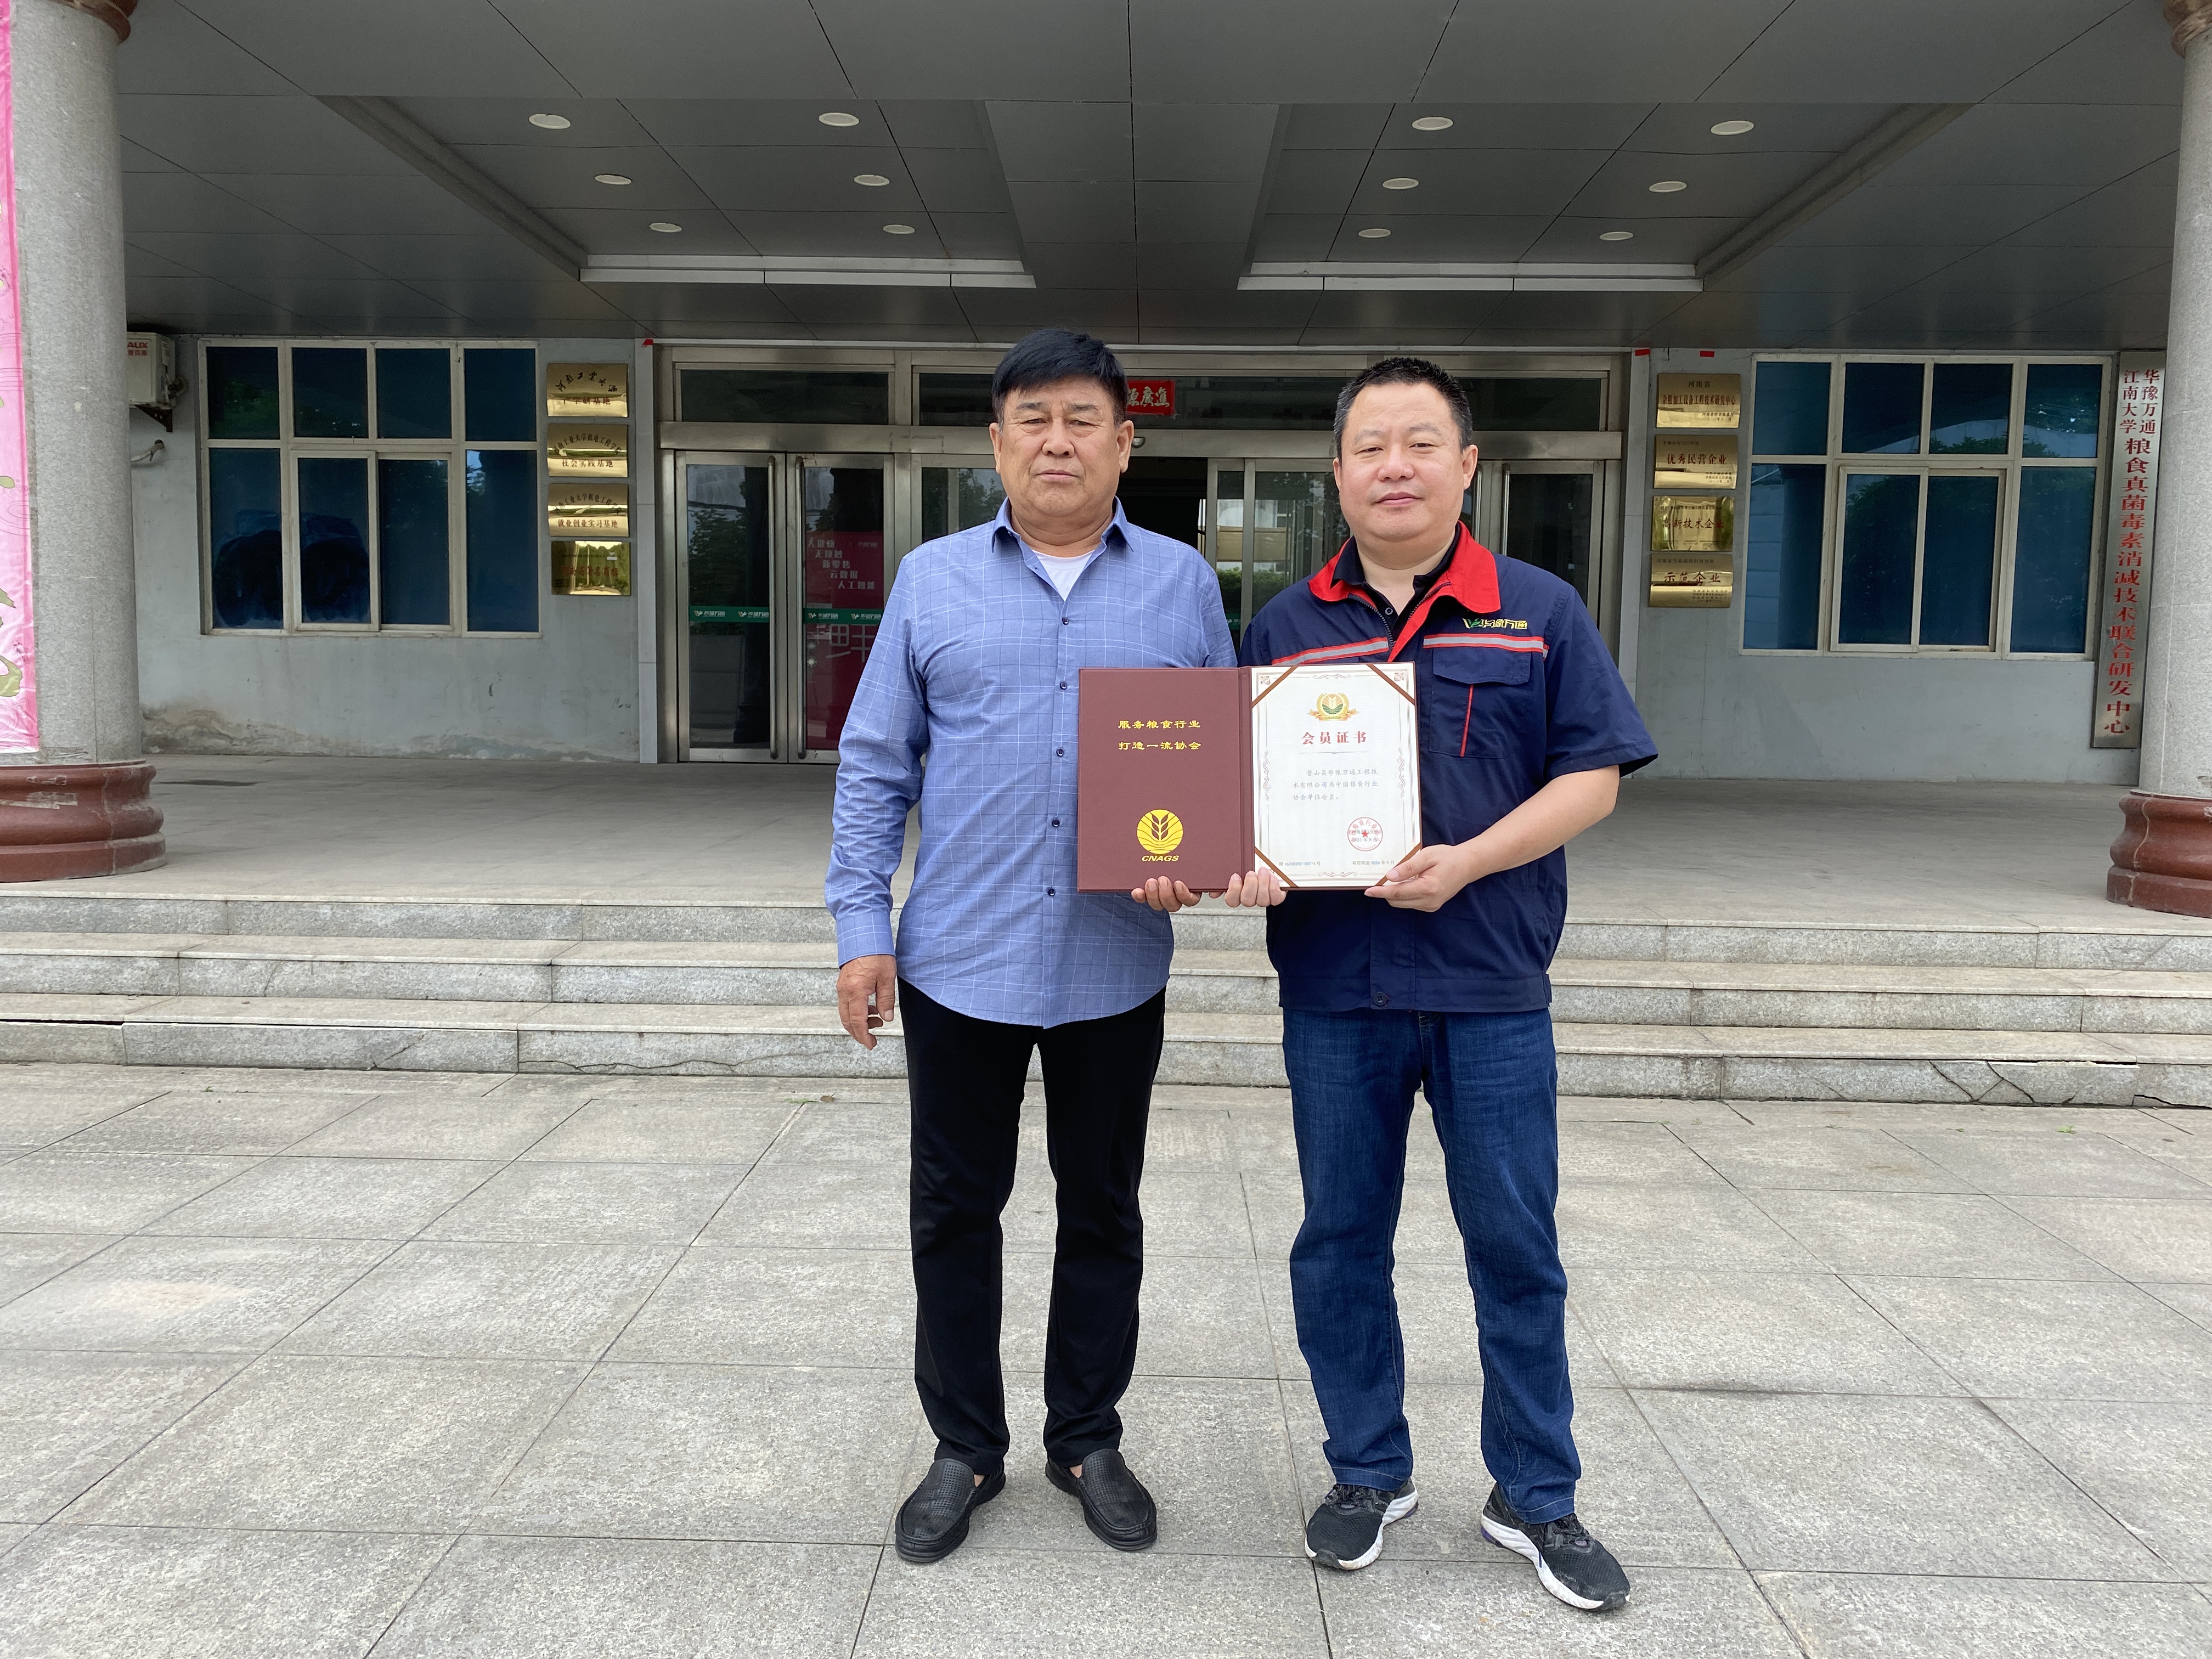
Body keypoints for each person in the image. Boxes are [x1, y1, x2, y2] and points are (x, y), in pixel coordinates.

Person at [827, 328, 1274, 1565]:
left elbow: (1219, 763)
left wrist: (1208, 854)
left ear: (1126, 443)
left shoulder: (1182, 583)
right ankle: (965, 1446)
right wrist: (863, 929)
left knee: (1105, 1211)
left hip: (1113, 963)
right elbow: (874, 763)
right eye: (1033, 419)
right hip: (958, 959)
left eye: (1083, 420)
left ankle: (1085, 1437)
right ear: (997, 443)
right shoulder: (931, 579)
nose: (1057, 442)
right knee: (953, 1213)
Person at [1236, 357, 1656, 1611]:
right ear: (1338, 473)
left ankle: (1537, 1493)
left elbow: (1594, 777)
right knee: (1339, 1242)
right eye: (1372, 446)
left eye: (1422, 443)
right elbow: (1239, 797)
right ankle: (1367, 1471)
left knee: (1516, 1247)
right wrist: (1243, 855)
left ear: (1467, 466)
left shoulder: (1537, 610)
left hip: (1490, 984)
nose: (1396, 467)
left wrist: (1470, 860)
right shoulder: (1285, 625)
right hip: (1337, 987)